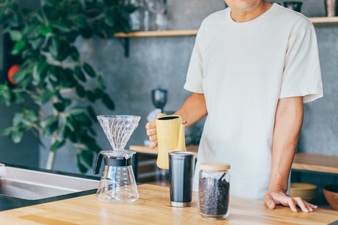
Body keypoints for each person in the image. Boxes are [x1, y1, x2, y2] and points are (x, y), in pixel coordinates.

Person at [146, 0, 323, 213]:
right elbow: (203, 96)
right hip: (207, 177)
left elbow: (289, 109)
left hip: (261, 186)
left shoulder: (295, 27)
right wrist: (170, 124)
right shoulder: (209, 27)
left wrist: (277, 185)